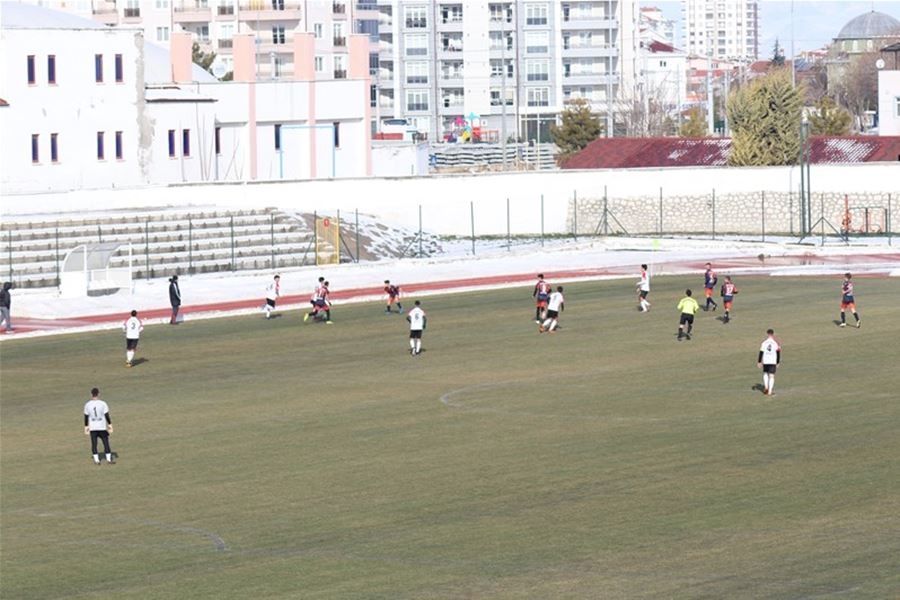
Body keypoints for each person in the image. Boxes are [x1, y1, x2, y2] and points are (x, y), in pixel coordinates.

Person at [84, 387, 115, 465]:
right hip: (101, 427)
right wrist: (110, 424)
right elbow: (106, 415)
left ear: (91, 394)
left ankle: (97, 460)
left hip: (93, 427)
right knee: (106, 442)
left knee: (94, 444)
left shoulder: (87, 404)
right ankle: (109, 460)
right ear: (98, 394)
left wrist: (86, 426)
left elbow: (86, 416)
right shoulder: (103, 403)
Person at [757, 329, 781, 396]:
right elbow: (778, 352)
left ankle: (766, 387)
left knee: (765, 373)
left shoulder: (764, 343)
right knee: (771, 376)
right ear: (773, 334)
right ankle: (770, 391)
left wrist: (759, 361)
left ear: (767, 334)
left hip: (766, 360)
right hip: (772, 361)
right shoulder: (776, 343)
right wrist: (778, 362)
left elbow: (761, 352)